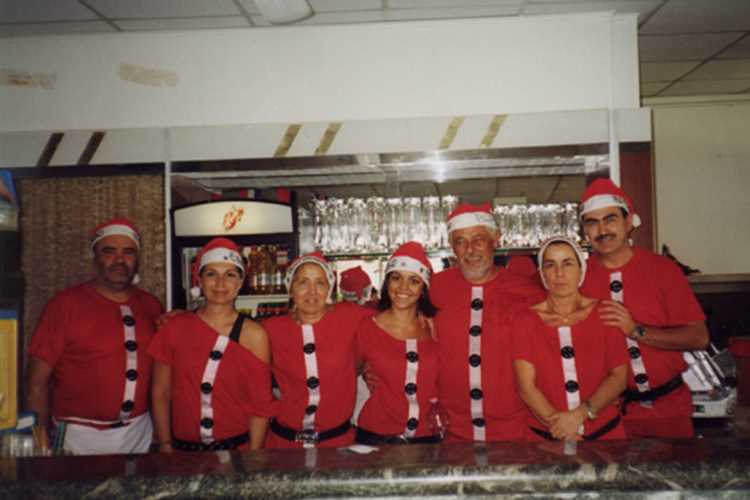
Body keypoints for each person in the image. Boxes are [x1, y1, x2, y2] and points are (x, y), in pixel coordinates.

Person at [579, 179, 708, 438]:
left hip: (669, 412)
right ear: (585, 232)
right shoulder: (578, 279)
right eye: (592, 223)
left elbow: (699, 337)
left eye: (610, 219)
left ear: (629, 222)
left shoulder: (663, 270)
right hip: (609, 417)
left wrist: (635, 330)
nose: (602, 230)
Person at [26, 217, 162, 455]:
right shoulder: (65, 305)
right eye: (109, 251)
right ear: (95, 257)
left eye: (128, 252)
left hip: (139, 437)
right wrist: (40, 442)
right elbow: (37, 383)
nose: (120, 260)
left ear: (137, 259)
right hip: (76, 441)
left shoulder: (150, 306)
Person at [430, 203, 545, 442]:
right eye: (461, 241)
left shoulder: (529, 293)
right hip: (451, 434)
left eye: (478, 239)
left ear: (496, 239)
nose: (470, 250)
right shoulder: (434, 289)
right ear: (452, 247)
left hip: (516, 433)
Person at [149, 238, 273, 452]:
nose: (220, 283)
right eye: (211, 274)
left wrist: (254, 454)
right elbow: (160, 391)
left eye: (230, 275)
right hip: (183, 453)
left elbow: (260, 404)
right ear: (199, 280)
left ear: (240, 282)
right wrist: (165, 443)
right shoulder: (175, 327)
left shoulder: (254, 335)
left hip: (236, 452)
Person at [512, 236, 628, 441]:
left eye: (568, 264)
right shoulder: (525, 319)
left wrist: (580, 415)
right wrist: (563, 430)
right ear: (542, 273)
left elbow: (619, 377)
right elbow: (527, 388)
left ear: (581, 270)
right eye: (550, 265)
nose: (559, 273)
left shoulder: (606, 311)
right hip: (546, 439)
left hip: (605, 435)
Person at [263, 252, 373, 448]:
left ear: (329, 289)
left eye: (320, 283)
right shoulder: (270, 329)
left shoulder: (350, 317)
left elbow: (393, 321)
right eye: (303, 283)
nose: (312, 292)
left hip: (337, 445)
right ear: (290, 288)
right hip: (283, 445)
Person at [355, 242, 441, 445]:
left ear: (423, 288)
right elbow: (346, 375)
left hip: (428, 438)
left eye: (414, 281)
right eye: (396, 278)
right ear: (387, 282)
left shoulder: (435, 328)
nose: (403, 287)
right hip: (376, 438)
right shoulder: (366, 328)